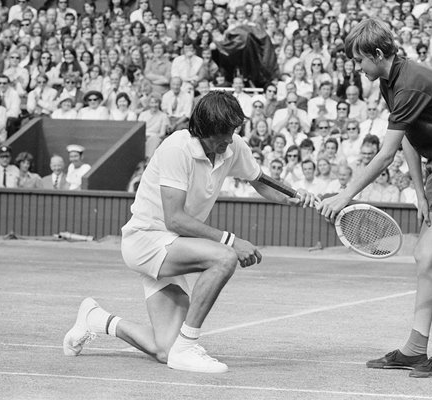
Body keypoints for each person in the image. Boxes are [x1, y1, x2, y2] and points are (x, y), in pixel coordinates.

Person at [62, 91, 316, 374]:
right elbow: (176, 220)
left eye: (233, 131)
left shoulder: (232, 146)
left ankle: (97, 319)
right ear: (205, 130)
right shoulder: (176, 148)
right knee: (224, 258)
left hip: (175, 247)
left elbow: (258, 180)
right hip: (146, 241)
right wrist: (232, 241)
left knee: (163, 350)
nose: (230, 139)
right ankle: (188, 346)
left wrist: (290, 198)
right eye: (224, 133)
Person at [318, 19, 432, 378]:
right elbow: (411, 138)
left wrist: (345, 195)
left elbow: (385, 154)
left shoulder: (411, 82)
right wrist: (419, 192)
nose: (357, 68)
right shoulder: (390, 81)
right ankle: (415, 349)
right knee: (425, 253)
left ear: (378, 54)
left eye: (359, 60)